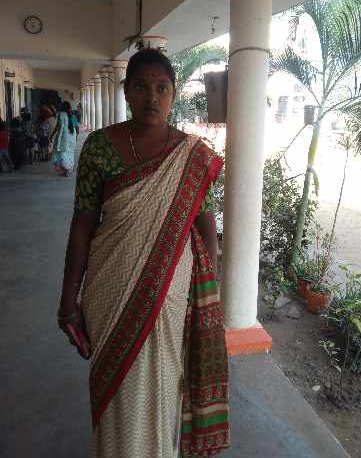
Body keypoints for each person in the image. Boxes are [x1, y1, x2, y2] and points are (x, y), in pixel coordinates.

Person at [57, 49, 230, 458]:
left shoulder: (191, 155)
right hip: (109, 289)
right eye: (141, 86)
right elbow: (82, 226)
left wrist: (205, 295)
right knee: (115, 391)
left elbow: (206, 227)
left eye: (161, 88)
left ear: (173, 94)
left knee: (164, 388)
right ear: (126, 92)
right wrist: (68, 301)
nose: (152, 96)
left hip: (171, 295)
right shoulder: (100, 148)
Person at [52, 101, 79, 177]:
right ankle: (69, 168)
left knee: (63, 152)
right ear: (70, 108)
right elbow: (77, 128)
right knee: (70, 152)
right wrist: (76, 137)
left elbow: (57, 126)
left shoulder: (60, 115)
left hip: (63, 136)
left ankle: (65, 168)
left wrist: (52, 135)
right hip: (72, 136)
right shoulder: (73, 116)